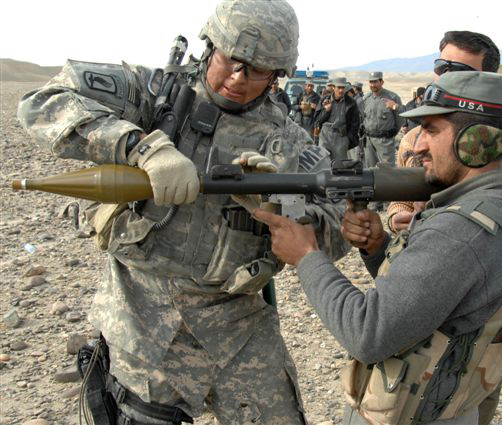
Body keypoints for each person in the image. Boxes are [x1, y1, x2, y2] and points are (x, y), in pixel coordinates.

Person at [17, 1, 350, 424]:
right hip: (143, 318)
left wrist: (282, 208)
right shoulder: (154, 95)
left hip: (237, 324)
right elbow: (42, 102)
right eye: (232, 60)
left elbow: (336, 228)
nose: (238, 78)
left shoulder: (289, 143)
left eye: (258, 70)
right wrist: (139, 146)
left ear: (278, 75)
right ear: (210, 46)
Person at [254, 71, 502, 425]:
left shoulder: (461, 231)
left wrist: (307, 257)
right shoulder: (494, 205)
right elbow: (430, 298)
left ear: (477, 140)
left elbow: (368, 333)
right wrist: (378, 247)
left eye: (431, 130)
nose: (417, 146)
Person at [389, 30, 502, 235]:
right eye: (441, 66)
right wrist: (395, 219)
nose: (446, 76)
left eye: (461, 71)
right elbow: (400, 200)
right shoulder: (411, 141)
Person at [362, 71, 404, 210]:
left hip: (385, 140)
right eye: (371, 82)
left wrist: (392, 132)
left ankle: (388, 203)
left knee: (387, 172)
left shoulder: (392, 97)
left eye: (375, 81)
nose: (373, 84)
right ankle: (375, 202)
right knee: (371, 172)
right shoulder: (366, 99)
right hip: (369, 141)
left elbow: (401, 116)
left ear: (382, 82)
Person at [315, 77, 361, 161]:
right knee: (323, 163)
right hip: (325, 136)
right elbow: (317, 120)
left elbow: (355, 123)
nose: (341, 90)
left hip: (341, 138)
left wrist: (349, 139)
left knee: (339, 167)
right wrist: (326, 111)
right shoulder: (324, 100)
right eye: (338, 87)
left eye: (343, 88)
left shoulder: (351, 102)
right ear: (333, 87)